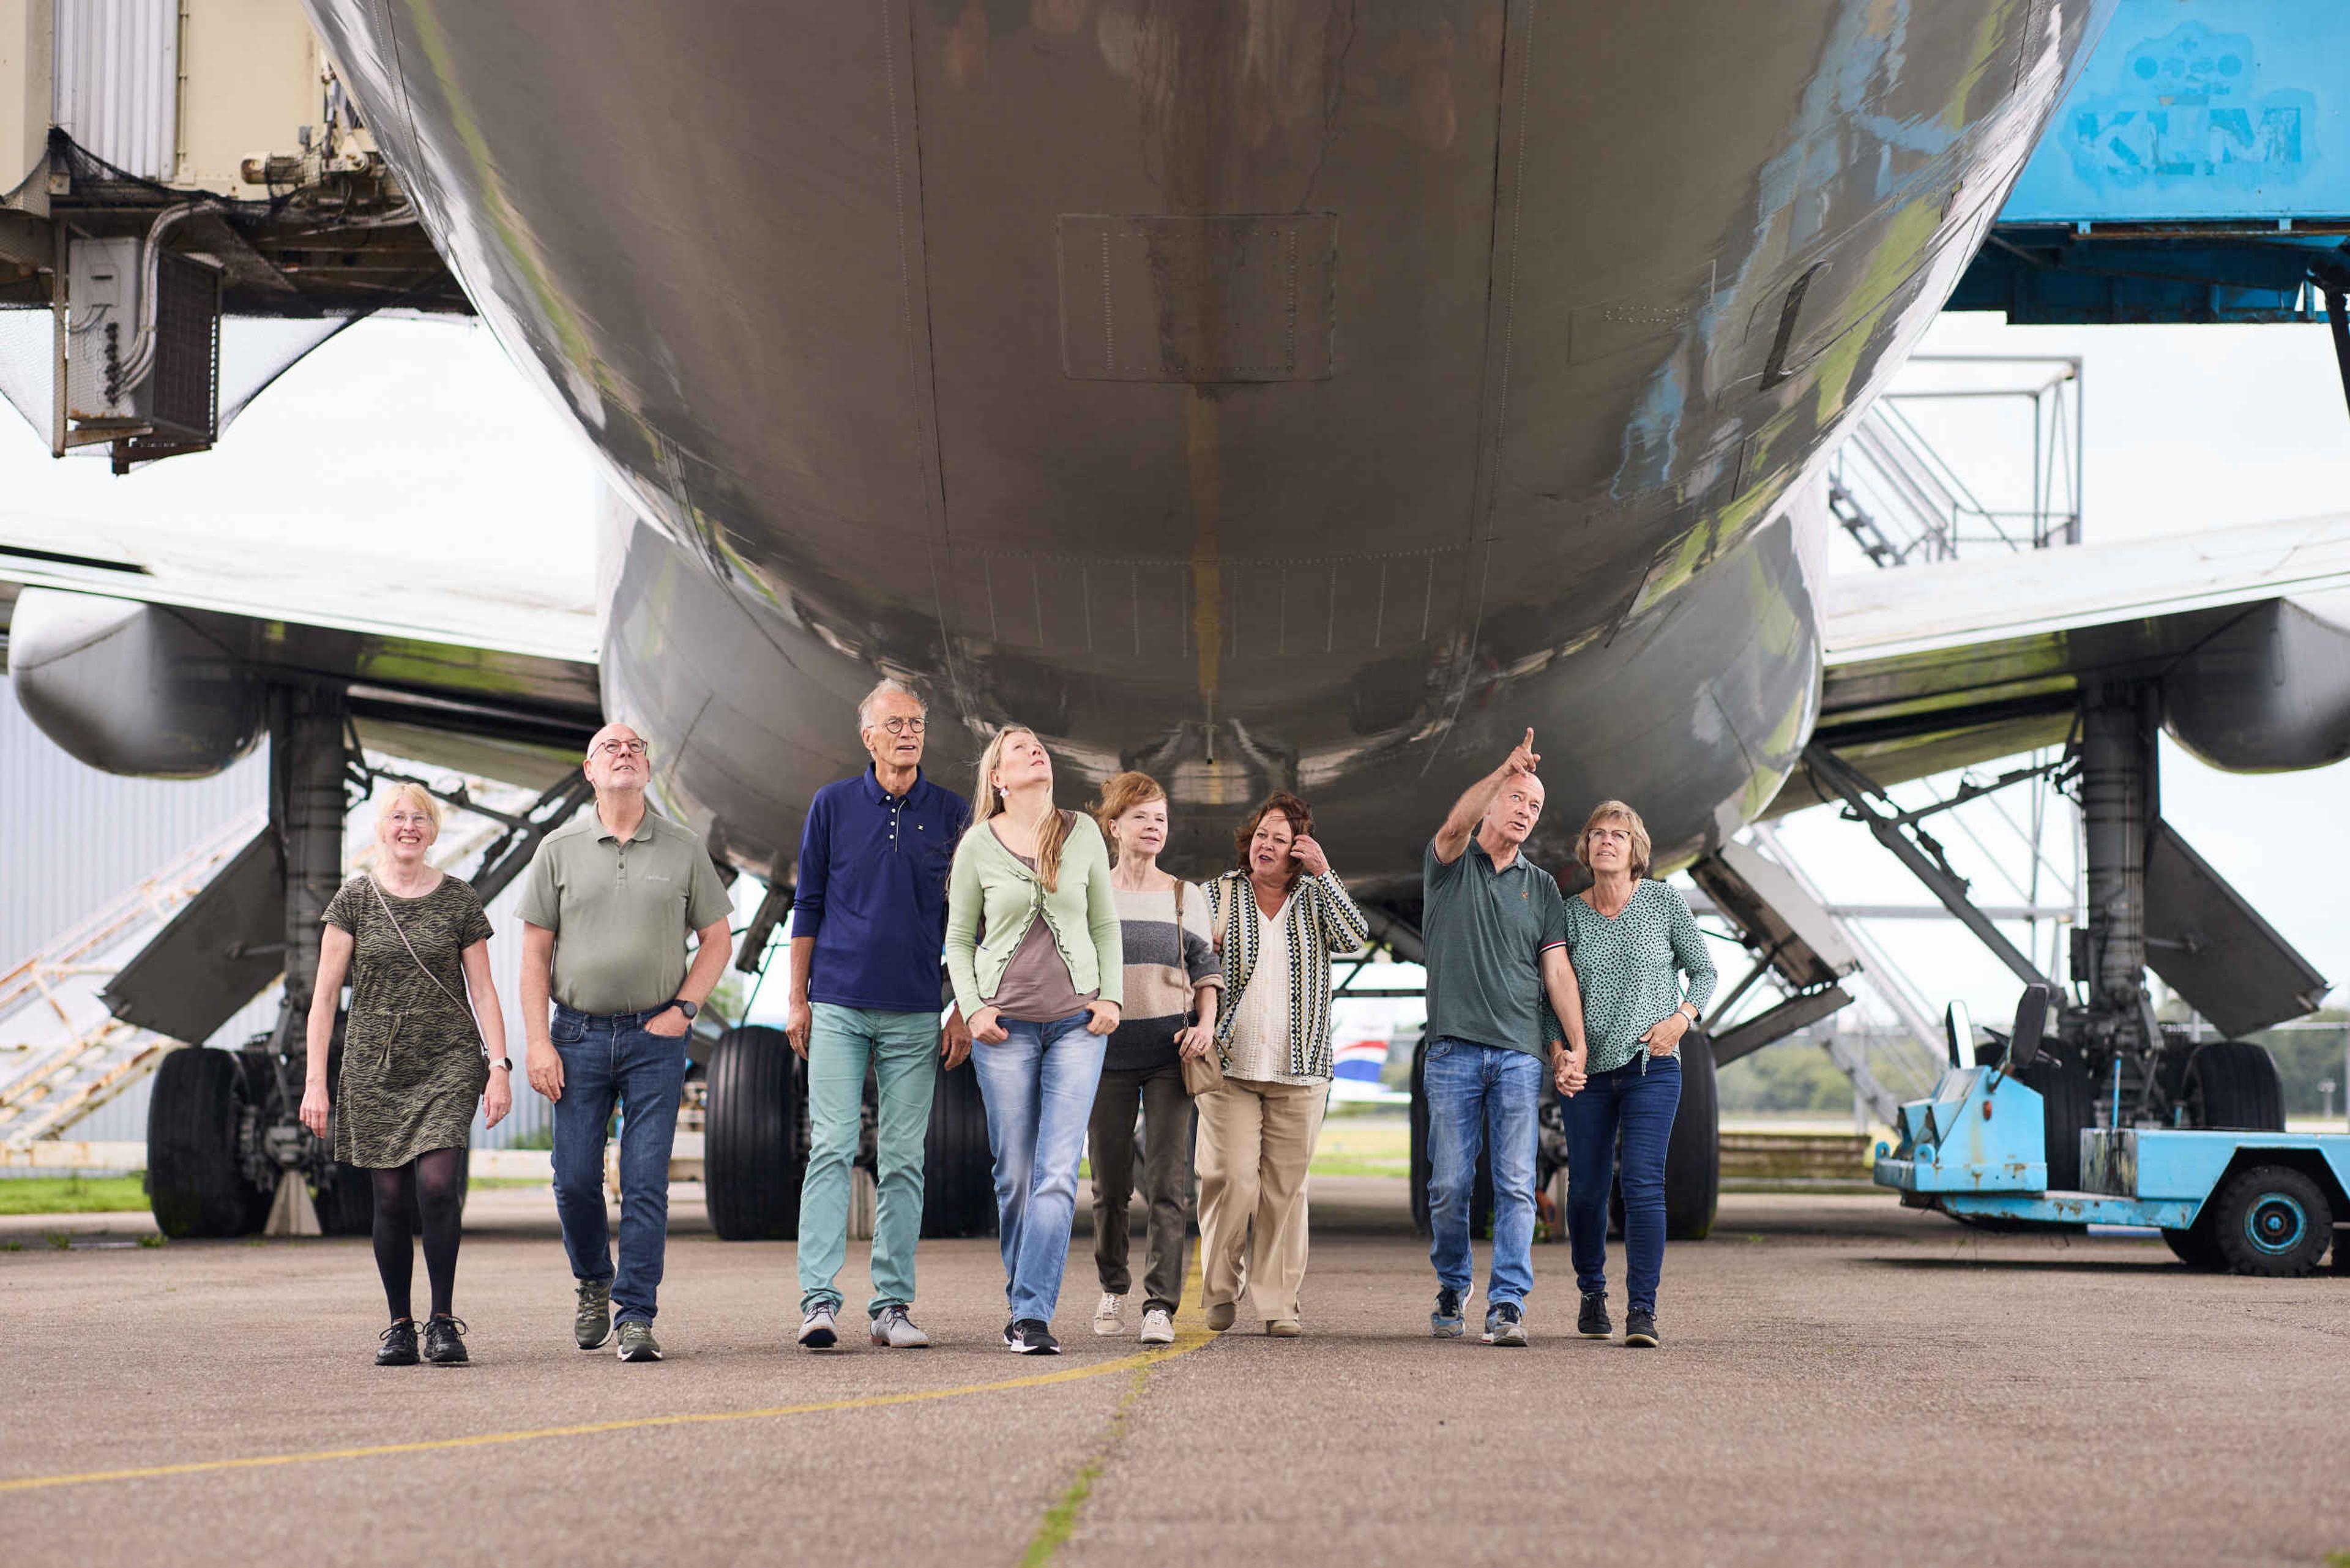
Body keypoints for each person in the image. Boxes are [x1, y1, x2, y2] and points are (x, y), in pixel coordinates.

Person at [519, 722, 734, 1364]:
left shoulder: (682, 847)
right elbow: (534, 955)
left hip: (655, 1038)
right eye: (610, 747)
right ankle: (593, 1279)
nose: (623, 753)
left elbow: (717, 939)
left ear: (647, 768)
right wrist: (537, 1043)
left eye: (635, 746)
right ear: (589, 770)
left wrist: (685, 1008)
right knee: (575, 1178)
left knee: (645, 1181)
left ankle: (636, 1314)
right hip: (577, 1034)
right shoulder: (557, 849)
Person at [786, 679, 971, 1352]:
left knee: (902, 1161)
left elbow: (968, 923)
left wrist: (962, 1008)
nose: (908, 733)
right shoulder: (832, 805)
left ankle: (891, 1305)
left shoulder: (953, 814)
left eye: (917, 722)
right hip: (836, 1006)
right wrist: (795, 998)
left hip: (918, 1014)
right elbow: (807, 905)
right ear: (869, 737)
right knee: (831, 1149)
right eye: (895, 723)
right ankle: (818, 1302)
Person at [300, 782, 511, 1367]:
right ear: (381, 828)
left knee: (438, 1187)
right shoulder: (354, 901)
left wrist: (499, 1067)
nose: (409, 826)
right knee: (390, 1199)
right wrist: (317, 1081)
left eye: (420, 818)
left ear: (434, 830)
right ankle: (399, 1324)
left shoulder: (460, 900)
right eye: (398, 817)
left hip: (447, 1059)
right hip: (375, 1066)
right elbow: (323, 1000)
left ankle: (443, 1321)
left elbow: (484, 991)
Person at [944, 725, 1124, 1355]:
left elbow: (1104, 921)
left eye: (1037, 746)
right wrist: (971, 1009)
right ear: (997, 778)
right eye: (1017, 748)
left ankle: (1030, 1313)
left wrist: (1112, 996)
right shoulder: (976, 846)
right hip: (1004, 1029)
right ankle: (1024, 1299)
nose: (1034, 751)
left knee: (1055, 1174)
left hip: (1079, 1025)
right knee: (1014, 1175)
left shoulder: (1083, 835)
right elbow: (960, 939)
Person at [1420, 730, 1591, 1348]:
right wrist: (1504, 768)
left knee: (1517, 1183)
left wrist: (1576, 1045)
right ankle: (1451, 1282)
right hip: (1451, 1053)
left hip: (1519, 1055)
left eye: (1534, 805)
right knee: (1449, 1185)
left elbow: (1557, 972)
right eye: (1517, 798)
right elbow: (1453, 822)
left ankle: (1508, 1303)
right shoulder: (1447, 866)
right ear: (1493, 801)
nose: (1524, 811)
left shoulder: (1542, 888)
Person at [1195, 791, 1368, 1337]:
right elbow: (1185, 956)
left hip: (1302, 1068)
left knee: (1285, 1192)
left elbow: (1355, 937)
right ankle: (1221, 1288)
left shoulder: (1316, 897)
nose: (1266, 846)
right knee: (1232, 1181)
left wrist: (1325, 873)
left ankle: (1277, 1303)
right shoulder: (1217, 894)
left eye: (1281, 839)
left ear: (1299, 850)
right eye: (1261, 836)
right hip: (1228, 1065)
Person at [1558, 799, 1717, 1349]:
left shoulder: (1662, 902)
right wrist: (1560, 1052)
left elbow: (1704, 971)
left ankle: (1643, 1312)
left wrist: (1682, 1018)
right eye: (1597, 833)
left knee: (1643, 1184)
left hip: (1654, 1065)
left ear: (1635, 851)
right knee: (1586, 1191)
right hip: (1589, 1074)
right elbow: (1547, 997)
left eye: (1618, 836)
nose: (1606, 841)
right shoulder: (1568, 913)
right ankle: (1591, 1292)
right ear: (1587, 848)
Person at [1086, 771, 1220, 1348]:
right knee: (1110, 1188)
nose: (1154, 827)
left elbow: (1208, 969)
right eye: (1141, 817)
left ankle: (1159, 1304)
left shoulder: (1184, 895)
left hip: (1170, 1055)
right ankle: (1113, 1284)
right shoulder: (1093, 891)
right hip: (1107, 1055)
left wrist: (1206, 1027)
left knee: (1170, 1186)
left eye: (1161, 818)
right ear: (1114, 826)